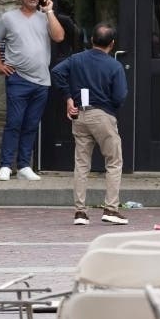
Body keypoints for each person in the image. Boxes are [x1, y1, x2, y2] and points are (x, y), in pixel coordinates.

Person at [51, 22, 129, 226]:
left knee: (81, 164)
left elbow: (57, 72)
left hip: (80, 115)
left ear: (92, 40)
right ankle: (111, 208)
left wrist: (69, 98)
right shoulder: (114, 65)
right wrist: (110, 107)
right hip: (103, 115)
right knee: (114, 162)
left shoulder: (76, 59)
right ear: (112, 44)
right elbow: (120, 96)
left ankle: (80, 212)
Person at [0, 0, 65, 181]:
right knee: (14, 123)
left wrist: (49, 11)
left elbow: (59, 37)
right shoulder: (8, 18)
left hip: (41, 81)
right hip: (18, 78)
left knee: (31, 124)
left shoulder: (45, 17)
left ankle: (23, 166)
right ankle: (5, 165)